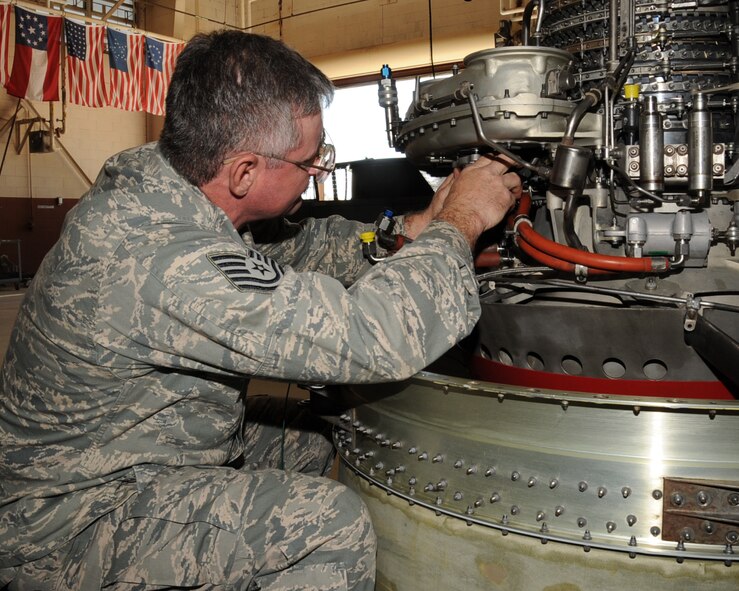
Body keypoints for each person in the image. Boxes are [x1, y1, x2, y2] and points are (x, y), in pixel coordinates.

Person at [0, 30, 522, 590]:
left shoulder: (175, 184)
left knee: (322, 432)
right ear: (246, 171)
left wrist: (410, 231)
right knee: (324, 525)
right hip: (68, 524)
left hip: (147, 454)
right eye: (311, 161)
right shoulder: (156, 254)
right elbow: (373, 339)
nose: (319, 169)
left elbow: (299, 246)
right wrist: (459, 226)